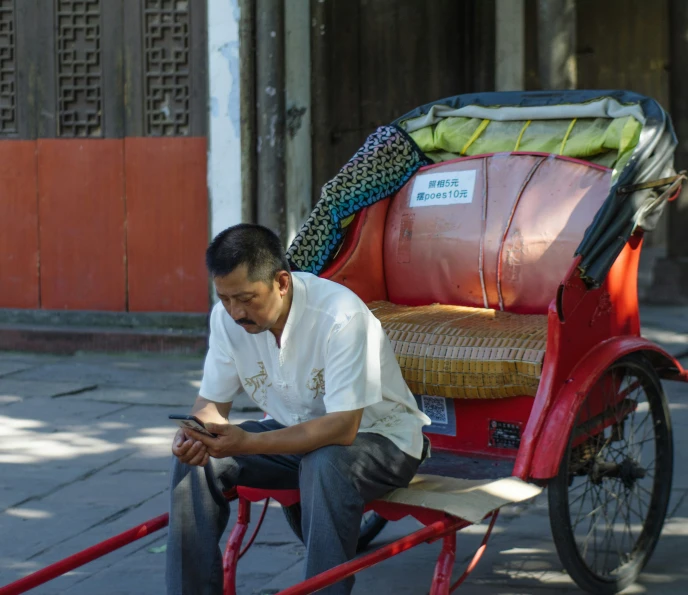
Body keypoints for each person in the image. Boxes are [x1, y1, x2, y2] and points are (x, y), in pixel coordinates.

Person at [166, 223, 430, 595]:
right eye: (225, 298)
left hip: (381, 440)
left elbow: (342, 429)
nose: (235, 311)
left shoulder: (340, 315)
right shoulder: (226, 319)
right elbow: (211, 404)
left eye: (246, 298)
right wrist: (196, 431)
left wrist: (244, 443)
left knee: (325, 462)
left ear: (282, 283)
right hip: (296, 437)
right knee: (197, 460)